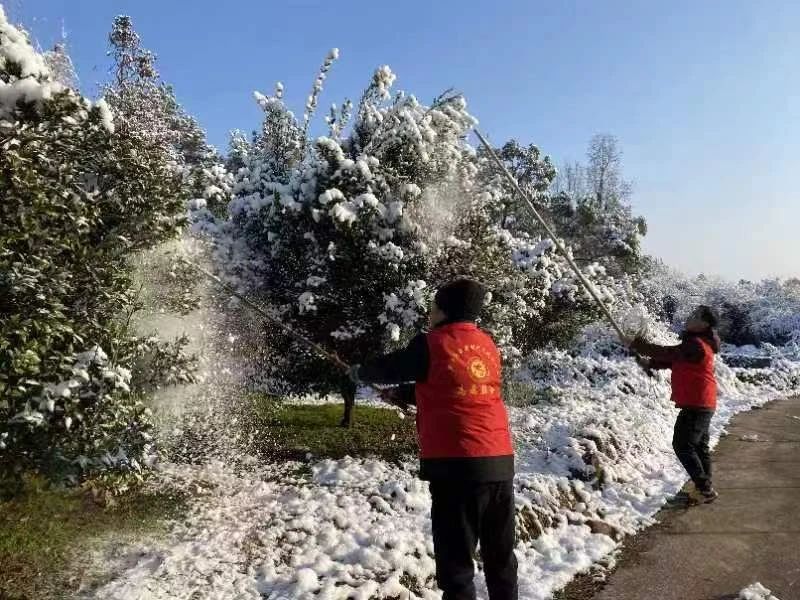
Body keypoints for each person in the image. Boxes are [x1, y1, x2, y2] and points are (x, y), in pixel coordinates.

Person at [350, 278, 517, 600]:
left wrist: (359, 373)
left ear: (444, 310)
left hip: (456, 466)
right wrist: (402, 394)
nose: (429, 314)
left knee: (456, 565)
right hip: (499, 463)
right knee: (501, 558)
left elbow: (390, 367)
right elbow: (455, 388)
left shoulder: (432, 343)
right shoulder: (487, 345)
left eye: (433, 307)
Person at [621, 305, 721, 504]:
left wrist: (636, 344)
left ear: (704, 323)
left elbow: (668, 353)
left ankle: (704, 488)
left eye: (694, 316)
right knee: (699, 446)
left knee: (682, 444)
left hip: (697, 403)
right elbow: (675, 361)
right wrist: (649, 364)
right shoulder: (699, 344)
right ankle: (703, 487)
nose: (689, 317)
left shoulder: (696, 344)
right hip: (703, 402)